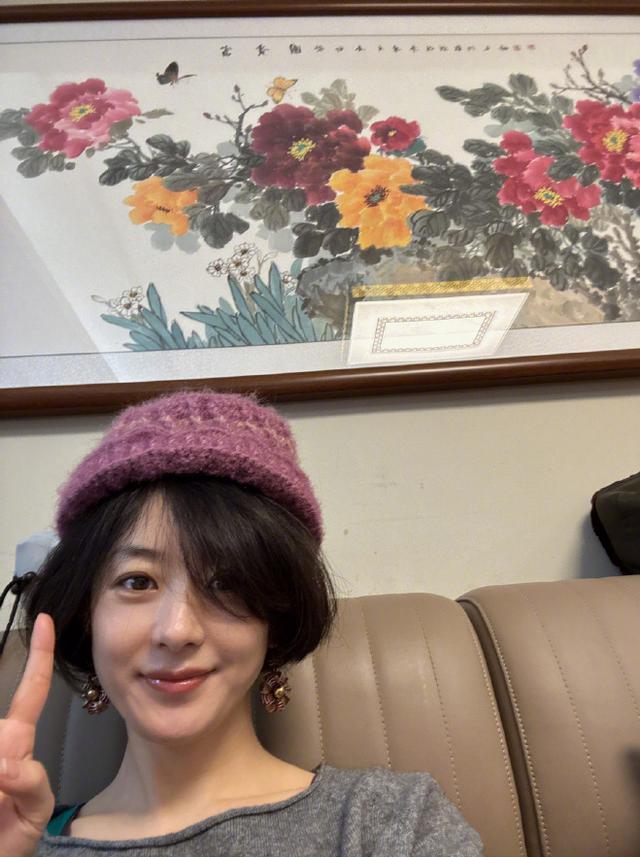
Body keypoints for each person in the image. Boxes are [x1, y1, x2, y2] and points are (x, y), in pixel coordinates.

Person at [0, 390, 484, 857]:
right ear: (87, 613)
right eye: (137, 581)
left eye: (225, 583)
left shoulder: (391, 823)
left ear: (275, 615)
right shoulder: (18, 839)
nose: (177, 631)